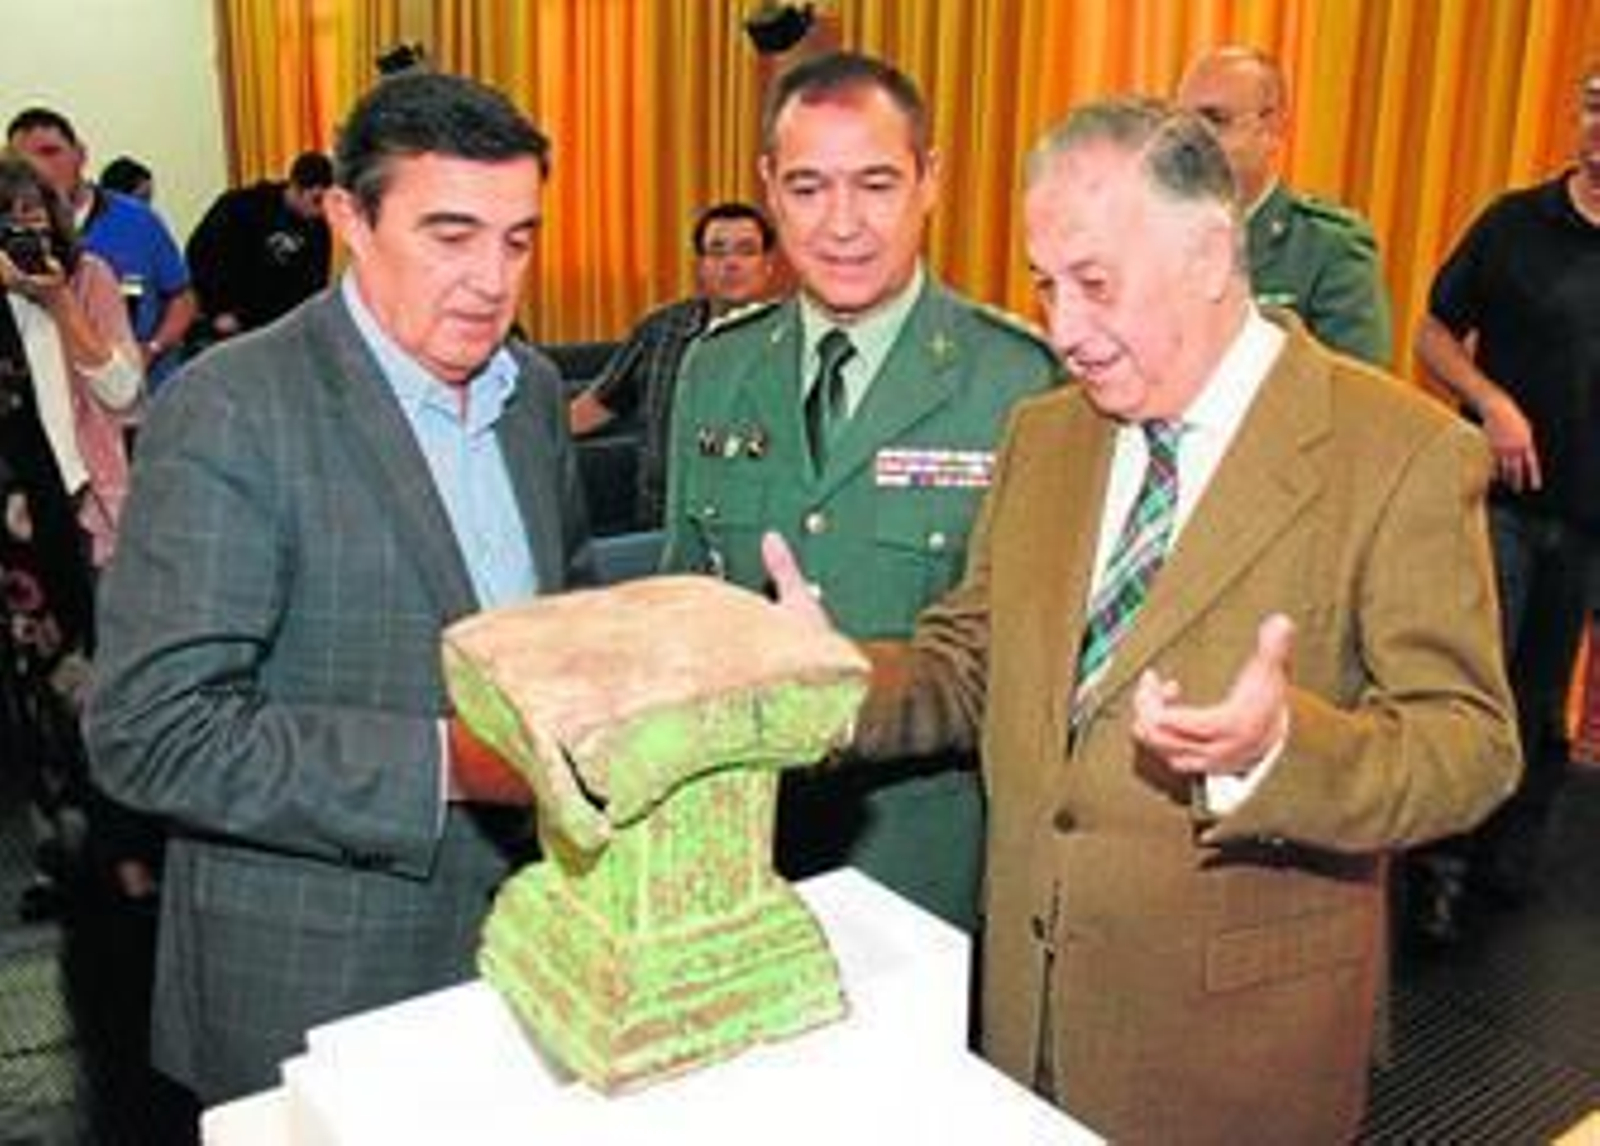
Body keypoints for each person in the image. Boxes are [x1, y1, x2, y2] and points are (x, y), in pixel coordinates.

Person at [762, 96, 1519, 1143]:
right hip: (1022, 1017)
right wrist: (840, 679)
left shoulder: (1398, 452)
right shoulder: (1044, 436)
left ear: (1209, 255)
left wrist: (1278, 754)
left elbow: (1471, 746)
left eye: (1095, 283)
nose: (1063, 329)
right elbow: (974, 661)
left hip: (1236, 1053)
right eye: (1044, 284)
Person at [83, 71, 595, 1106]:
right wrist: (449, 764)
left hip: (532, 949)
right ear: (349, 220)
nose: (491, 280)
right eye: (450, 236)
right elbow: (150, 731)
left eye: (517, 240)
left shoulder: (533, 392)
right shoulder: (234, 406)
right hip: (318, 977)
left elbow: (567, 606)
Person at [661, 51, 1061, 933]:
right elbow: (682, 598)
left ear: (930, 180)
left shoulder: (1018, 383)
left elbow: (1027, 668)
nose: (842, 224)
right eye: (808, 188)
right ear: (769, 188)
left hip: (923, 862)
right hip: (738, 856)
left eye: (876, 185)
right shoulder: (717, 369)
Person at [1408, 65, 1600, 940]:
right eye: (1593, 105)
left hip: (1588, 522)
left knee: (1542, 699)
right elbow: (1433, 333)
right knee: (1470, 682)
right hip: (1499, 507)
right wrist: (1490, 402)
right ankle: (1438, 871)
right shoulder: (1514, 224)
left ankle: (1507, 864)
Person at [1, 153, 144, 919]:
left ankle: (129, 856)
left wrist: (56, 301)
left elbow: (124, 392)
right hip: (14, 530)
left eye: (35, 210)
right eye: (7, 217)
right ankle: (60, 858)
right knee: (34, 702)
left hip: (86, 515)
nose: (24, 228)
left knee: (105, 688)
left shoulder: (87, 279)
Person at [1176, 46, 1393, 365]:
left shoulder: (1327, 248)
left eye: (1216, 120)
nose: (1192, 140)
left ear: (1273, 131)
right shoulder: (1153, 237)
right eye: (1182, 123)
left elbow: (1354, 387)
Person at [569, 200, 777, 526]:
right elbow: (600, 403)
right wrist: (526, 437)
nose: (731, 263)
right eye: (717, 252)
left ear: (768, 265)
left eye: (746, 251)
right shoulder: (661, 329)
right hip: (663, 519)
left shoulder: (794, 342)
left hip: (758, 524)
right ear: (700, 266)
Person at [8, 108, 196, 391]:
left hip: (144, 391)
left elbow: (183, 298)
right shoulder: (11, 234)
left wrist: (151, 348)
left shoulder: (138, 220)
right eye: (23, 160)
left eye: (50, 152)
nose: (39, 167)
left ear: (80, 154)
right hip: (52, 396)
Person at [185, 151, 334, 343]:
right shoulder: (240, 206)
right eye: (316, 200)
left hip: (281, 329)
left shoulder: (318, 228)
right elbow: (199, 253)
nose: (321, 210)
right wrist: (217, 310)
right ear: (295, 188)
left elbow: (316, 284)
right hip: (229, 325)